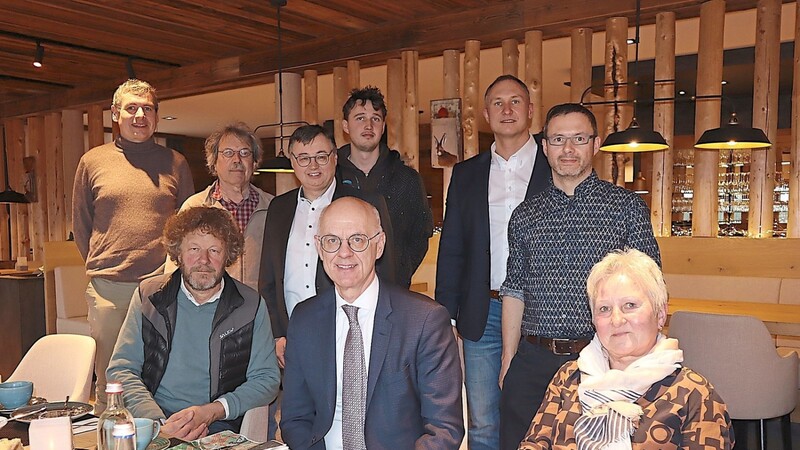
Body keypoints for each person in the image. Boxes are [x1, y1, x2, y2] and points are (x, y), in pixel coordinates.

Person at [499, 103, 661, 450]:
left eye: (578, 138)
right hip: (533, 360)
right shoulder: (525, 215)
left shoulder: (626, 208)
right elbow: (514, 289)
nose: (568, 149)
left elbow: (651, 290)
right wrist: (508, 360)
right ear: (545, 147)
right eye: (558, 139)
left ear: (595, 144)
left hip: (605, 358)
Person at [280, 197, 463, 449]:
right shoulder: (304, 319)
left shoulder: (425, 320)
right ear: (320, 249)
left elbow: (444, 429)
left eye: (357, 240)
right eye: (332, 241)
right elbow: (295, 418)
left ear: (379, 245)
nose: (344, 253)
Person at [435, 74, 551, 450]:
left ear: (530, 110)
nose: (507, 109)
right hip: (481, 310)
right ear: (486, 114)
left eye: (515, 101)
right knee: (483, 420)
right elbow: (452, 246)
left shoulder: (555, 167)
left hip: (542, 311)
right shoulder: (466, 174)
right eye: (498, 103)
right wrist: (445, 314)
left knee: (540, 416)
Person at [519, 248, 734, 449]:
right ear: (593, 321)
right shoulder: (568, 378)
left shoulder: (694, 394)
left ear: (660, 314)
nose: (616, 319)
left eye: (630, 305)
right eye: (604, 309)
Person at [72, 78, 195, 413]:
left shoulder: (177, 163)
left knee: (163, 374)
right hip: (109, 289)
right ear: (116, 113)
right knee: (111, 381)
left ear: (156, 115)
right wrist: (104, 265)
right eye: (131, 108)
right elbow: (81, 224)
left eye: (148, 108)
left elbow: (187, 226)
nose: (140, 115)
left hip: (163, 287)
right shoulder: (92, 161)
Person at [107, 206, 280, 441]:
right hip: (154, 420)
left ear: (228, 255)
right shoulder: (149, 297)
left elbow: (267, 378)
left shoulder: (250, 305)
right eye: (194, 249)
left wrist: (213, 411)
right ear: (178, 252)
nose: (204, 260)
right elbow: (122, 369)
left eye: (214, 250)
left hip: (219, 425)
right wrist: (158, 424)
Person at [259, 124, 397, 369]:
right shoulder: (278, 208)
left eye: (321, 157)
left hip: (353, 334)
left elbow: (387, 271)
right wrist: (277, 333)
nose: (313, 166)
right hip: (293, 339)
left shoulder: (365, 203)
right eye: (303, 158)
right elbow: (268, 278)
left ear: (335, 158)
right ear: (292, 161)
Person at [336, 86, 433, 287]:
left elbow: (420, 235)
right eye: (360, 118)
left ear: (383, 126)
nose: (368, 125)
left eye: (376, 118)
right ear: (346, 126)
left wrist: (399, 271)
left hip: (394, 293)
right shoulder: (332, 178)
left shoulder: (408, 179)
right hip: (340, 289)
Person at [167, 123, 273, 291]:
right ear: (214, 162)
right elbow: (174, 267)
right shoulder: (194, 207)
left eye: (245, 153)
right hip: (209, 306)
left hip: (258, 307)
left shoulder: (273, 208)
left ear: (254, 162)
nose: (237, 160)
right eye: (228, 153)